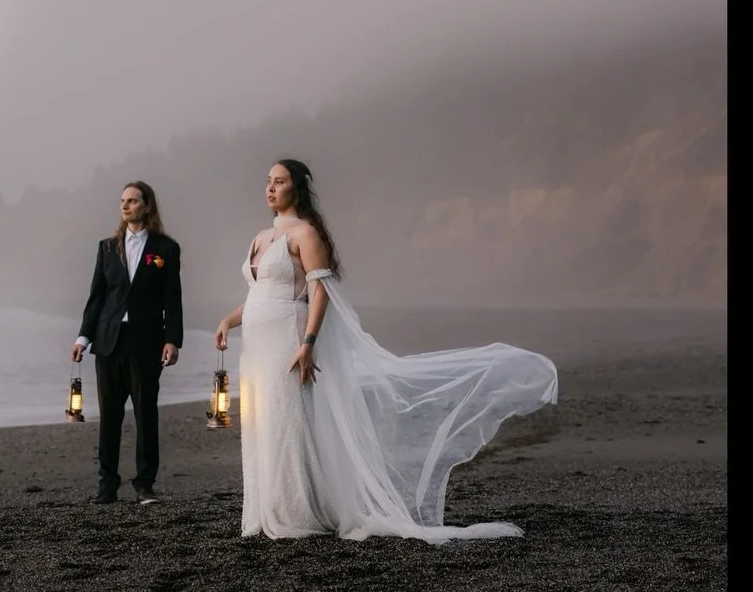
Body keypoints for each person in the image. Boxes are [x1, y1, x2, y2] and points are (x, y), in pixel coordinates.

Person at [214, 159, 558, 543]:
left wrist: (308, 343)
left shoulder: (305, 234)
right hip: (256, 349)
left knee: (290, 426)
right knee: (263, 424)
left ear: (297, 188)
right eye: (268, 181)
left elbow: (319, 291)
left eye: (279, 182)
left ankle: (299, 512)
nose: (270, 188)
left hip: (287, 342)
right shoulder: (260, 237)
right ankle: (269, 510)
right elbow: (259, 296)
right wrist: (228, 321)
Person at [73, 181, 183, 504]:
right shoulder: (107, 248)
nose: (125, 205)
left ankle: (144, 485)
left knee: (146, 414)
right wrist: (83, 337)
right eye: (123, 200)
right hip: (108, 342)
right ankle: (107, 487)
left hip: (146, 342)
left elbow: (172, 299)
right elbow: (96, 298)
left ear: (147, 206)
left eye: (133, 201)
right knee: (109, 416)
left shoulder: (166, 249)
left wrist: (172, 340)